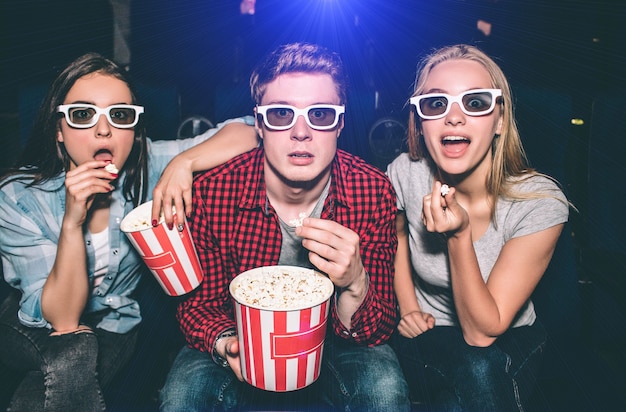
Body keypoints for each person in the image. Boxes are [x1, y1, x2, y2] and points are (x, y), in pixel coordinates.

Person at [0, 52, 258, 411]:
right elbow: (63, 320)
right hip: (28, 326)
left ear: (134, 133)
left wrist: (184, 162)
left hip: (115, 327)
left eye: (119, 115)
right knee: (75, 351)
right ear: (59, 131)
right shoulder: (18, 196)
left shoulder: (147, 167)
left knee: (52, 384)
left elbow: (252, 130)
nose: (103, 129)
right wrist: (73, 221)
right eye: (82, 114)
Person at [159, 42, 410, 411]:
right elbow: (198, 305)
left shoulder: (371, 191)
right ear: (259, 124)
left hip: (335, 342)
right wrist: (228, 341)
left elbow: (378, 329)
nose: (301, 132)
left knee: (384, 390)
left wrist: (356, 282)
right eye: (281, 115)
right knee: (184, 396)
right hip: (241, 334)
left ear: (340, 122)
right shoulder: (214, 192)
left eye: (321, 114)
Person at [387, 44, 570, 411]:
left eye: (475, 102)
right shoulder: (405, 172)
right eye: (436, 104)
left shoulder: (541, 202)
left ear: (500, 120)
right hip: (428, 334)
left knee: (475, 372)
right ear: (421, 123)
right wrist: (408, 307)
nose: (454, 118)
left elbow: (482, 332)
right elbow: (397, 238)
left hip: (509, 338)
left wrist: (458, 236)